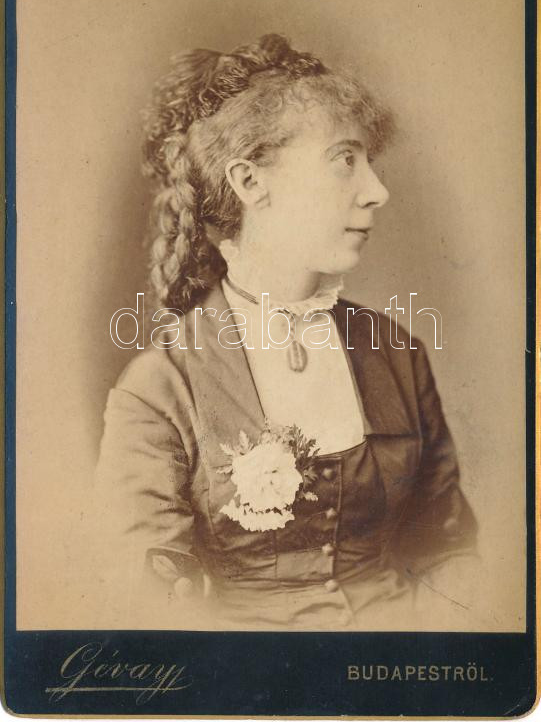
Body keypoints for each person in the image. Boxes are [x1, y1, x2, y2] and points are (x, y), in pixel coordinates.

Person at [96, 34, 478, 631]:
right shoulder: (159, 389)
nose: (377, 191)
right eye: (345, 159)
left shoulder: (395, 353)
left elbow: (447, 550)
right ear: (250, 182)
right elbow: (149, 607)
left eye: (369, 162)